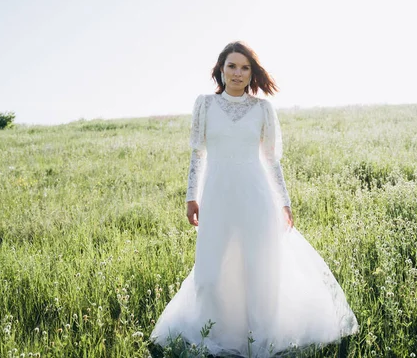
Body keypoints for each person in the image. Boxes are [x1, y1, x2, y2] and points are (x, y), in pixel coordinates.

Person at [150, 41, 358, 357]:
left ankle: (260, 337)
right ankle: (215, 334)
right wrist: (191, 196)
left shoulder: (262, 109)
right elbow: (197, 153)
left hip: (256, 196)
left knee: (257, 269)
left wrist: (284, 202)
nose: (237, 73)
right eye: (232, 66)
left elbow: (272, 160)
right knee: (209, 273)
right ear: (220, 69)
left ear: (252, 73)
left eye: (244, 67)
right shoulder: (205, 105)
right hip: (217, 196)